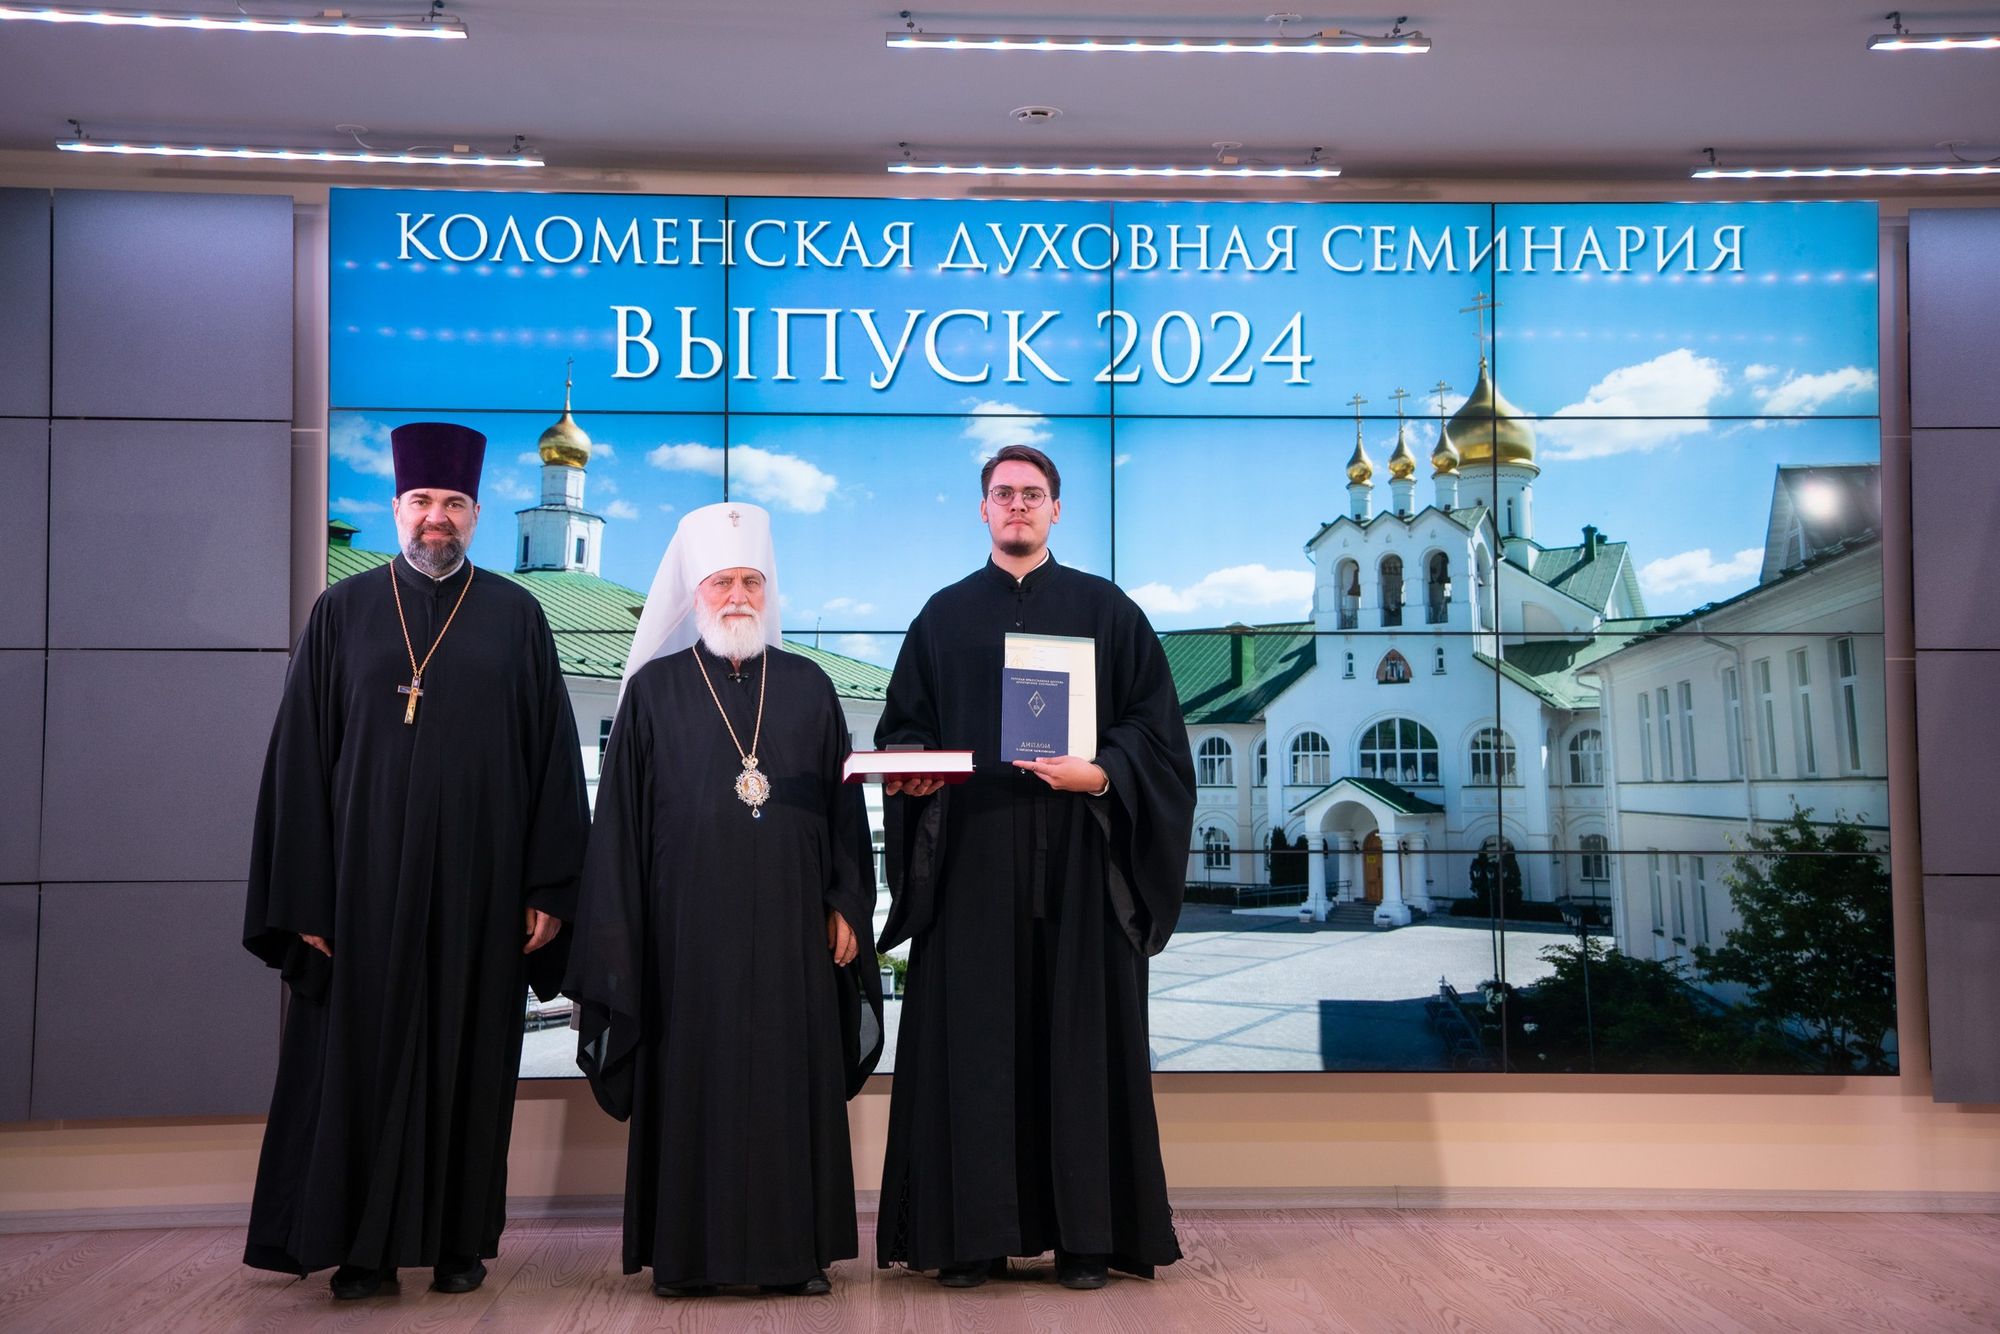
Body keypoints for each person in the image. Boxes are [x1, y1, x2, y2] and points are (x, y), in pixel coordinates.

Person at [242, 421, 589, 1300]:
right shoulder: (342, 612)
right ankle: (362, 1250)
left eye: (455, 503)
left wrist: (548, 885)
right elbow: (298, 762)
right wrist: (304, 897)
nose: (438, 517)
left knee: (468, 1063)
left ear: (476, 513)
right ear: (397, 507)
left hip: (481, 888)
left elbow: (554, 758)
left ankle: (458, 1241)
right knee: (357, 1065)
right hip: (359, 893)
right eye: (423, 501)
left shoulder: (517, 616)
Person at [875, 444, 1196, 1290]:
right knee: (973, 1050)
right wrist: (912, 769)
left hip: (1085, 867)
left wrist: (1103, 773)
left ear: (1057, 508)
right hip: (972, 865)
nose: (1017, 505)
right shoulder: (942, 618)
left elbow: (1159, 738)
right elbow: (904, 728)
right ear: (982, 509)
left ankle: (1087, 1239)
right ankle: (969, 1239)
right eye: (1002, 493)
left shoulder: (1108, 611)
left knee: (1081, 1050)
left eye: (1032, 493)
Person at [566, 501, 883, 1299]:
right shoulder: (652, 692)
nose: (737, 596)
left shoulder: (810, 687)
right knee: (693, 1085)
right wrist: (621, 941)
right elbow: (619, 832)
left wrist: (847, 900)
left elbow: (845, 817)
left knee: (786, 1083)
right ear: (694, 592)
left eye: (751, 581)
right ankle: (686, 1258)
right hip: (684, 941)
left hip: (793, 936)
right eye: (721, 582)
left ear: (768, 591)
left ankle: (796, 1256)